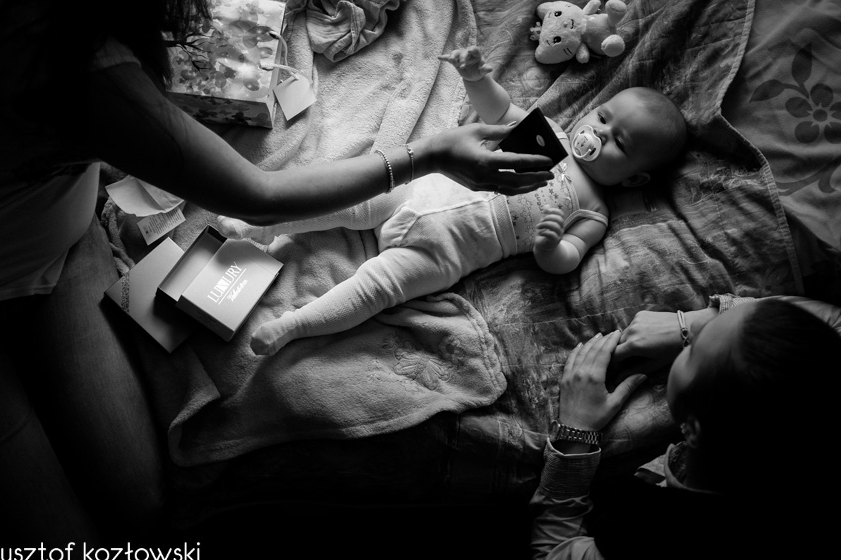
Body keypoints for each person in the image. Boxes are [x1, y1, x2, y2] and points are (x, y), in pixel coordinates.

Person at [0, 1, 553, 560]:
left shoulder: (75, 51)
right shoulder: (54, 54)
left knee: (139, 509)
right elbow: (257, 198)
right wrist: (429, 153)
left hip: (64, 242)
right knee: (71, 556)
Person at [215, 45, 687, 355]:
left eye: (618, 141)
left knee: (378, 288)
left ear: (634, 178)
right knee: (354, 202)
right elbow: (498, 111)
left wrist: (551, 247)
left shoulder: (594, 211)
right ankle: (262, 225)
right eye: (602, 118)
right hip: (421, 189)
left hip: (446, 250)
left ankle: (295, 325)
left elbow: (568, 260)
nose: (598, 134)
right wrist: (476, 78)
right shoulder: (552, 134)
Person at [529, 293, 841, 560]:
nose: (691, 335)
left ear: (692, 429)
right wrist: (695, 322)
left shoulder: (646, 542)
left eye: (692, 350)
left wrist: (576, 433)